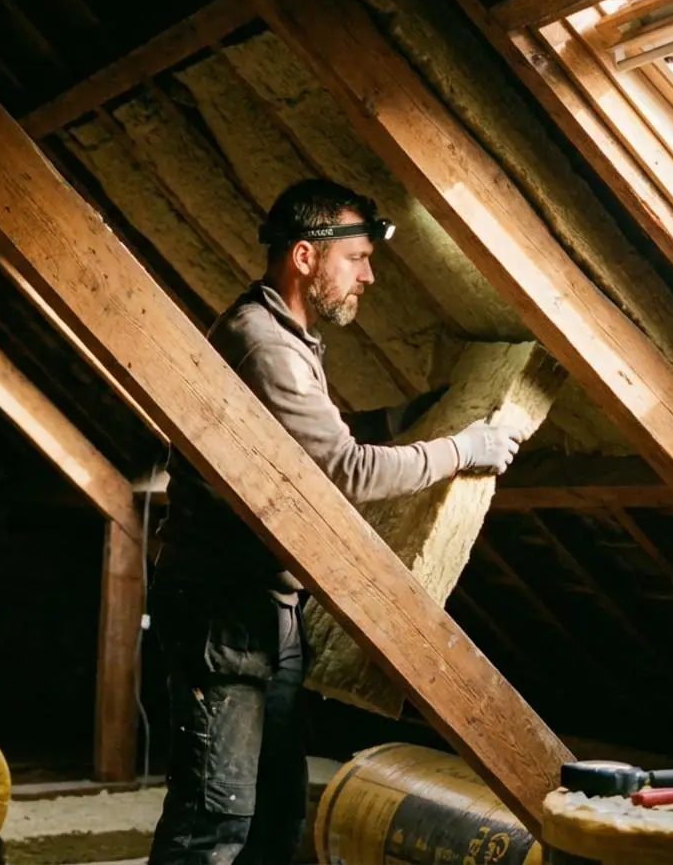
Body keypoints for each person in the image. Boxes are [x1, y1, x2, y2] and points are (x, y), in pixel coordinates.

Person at [145, 178, 524, 865]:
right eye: (356, 259)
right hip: (221, 612)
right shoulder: (266, 346)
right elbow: (342, 471)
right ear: (304, 256)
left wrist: (422, 415)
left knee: (277, 815)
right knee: (214, 821)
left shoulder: (281, 335)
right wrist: (463, 450)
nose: (369, 276)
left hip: (263, 609)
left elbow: (315, 441)